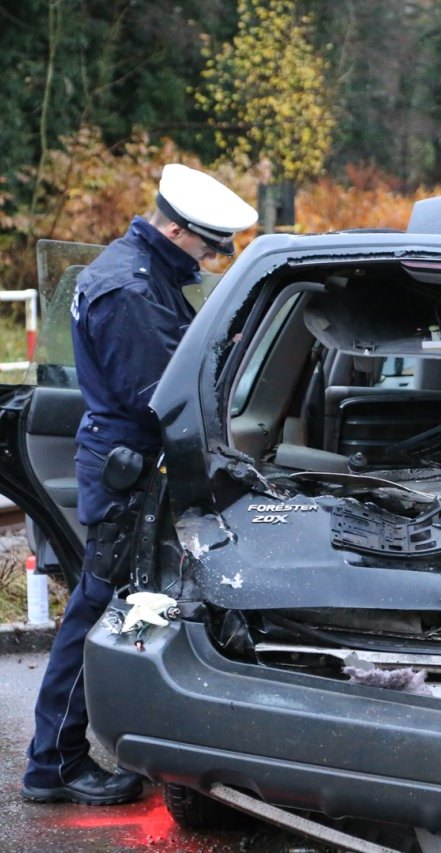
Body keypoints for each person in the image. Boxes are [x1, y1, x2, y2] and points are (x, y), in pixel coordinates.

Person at [21, 164, 257, 806]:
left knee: (113, 607)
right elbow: (159, 397)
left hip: (127, 460)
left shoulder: (140, 272)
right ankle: (54, 764)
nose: (210, 259)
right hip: (130, 468)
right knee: (97, 610)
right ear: (175, 229)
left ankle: (85, 747)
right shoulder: (128, 288)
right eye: (207, 247)